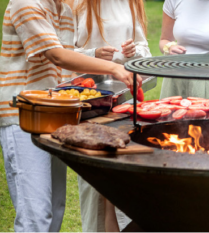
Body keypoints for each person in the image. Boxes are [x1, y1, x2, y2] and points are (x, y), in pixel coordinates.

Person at [0, 0, 138, 231]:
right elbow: (57, 56)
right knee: (36, 216)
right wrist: (114, 68)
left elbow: (67, 60)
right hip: (22, 116)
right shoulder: (26, 3)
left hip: (53, 115)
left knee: (55, 209)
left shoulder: (62, 9)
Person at [72, 0, 151, 231]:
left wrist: (134, 52)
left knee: (124, 172)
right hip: (89, 101)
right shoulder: (74, 3)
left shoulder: (132, 2)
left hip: (125, 99)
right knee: (92, 178)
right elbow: (61, 52)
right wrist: (93, 54)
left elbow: (145, 50)